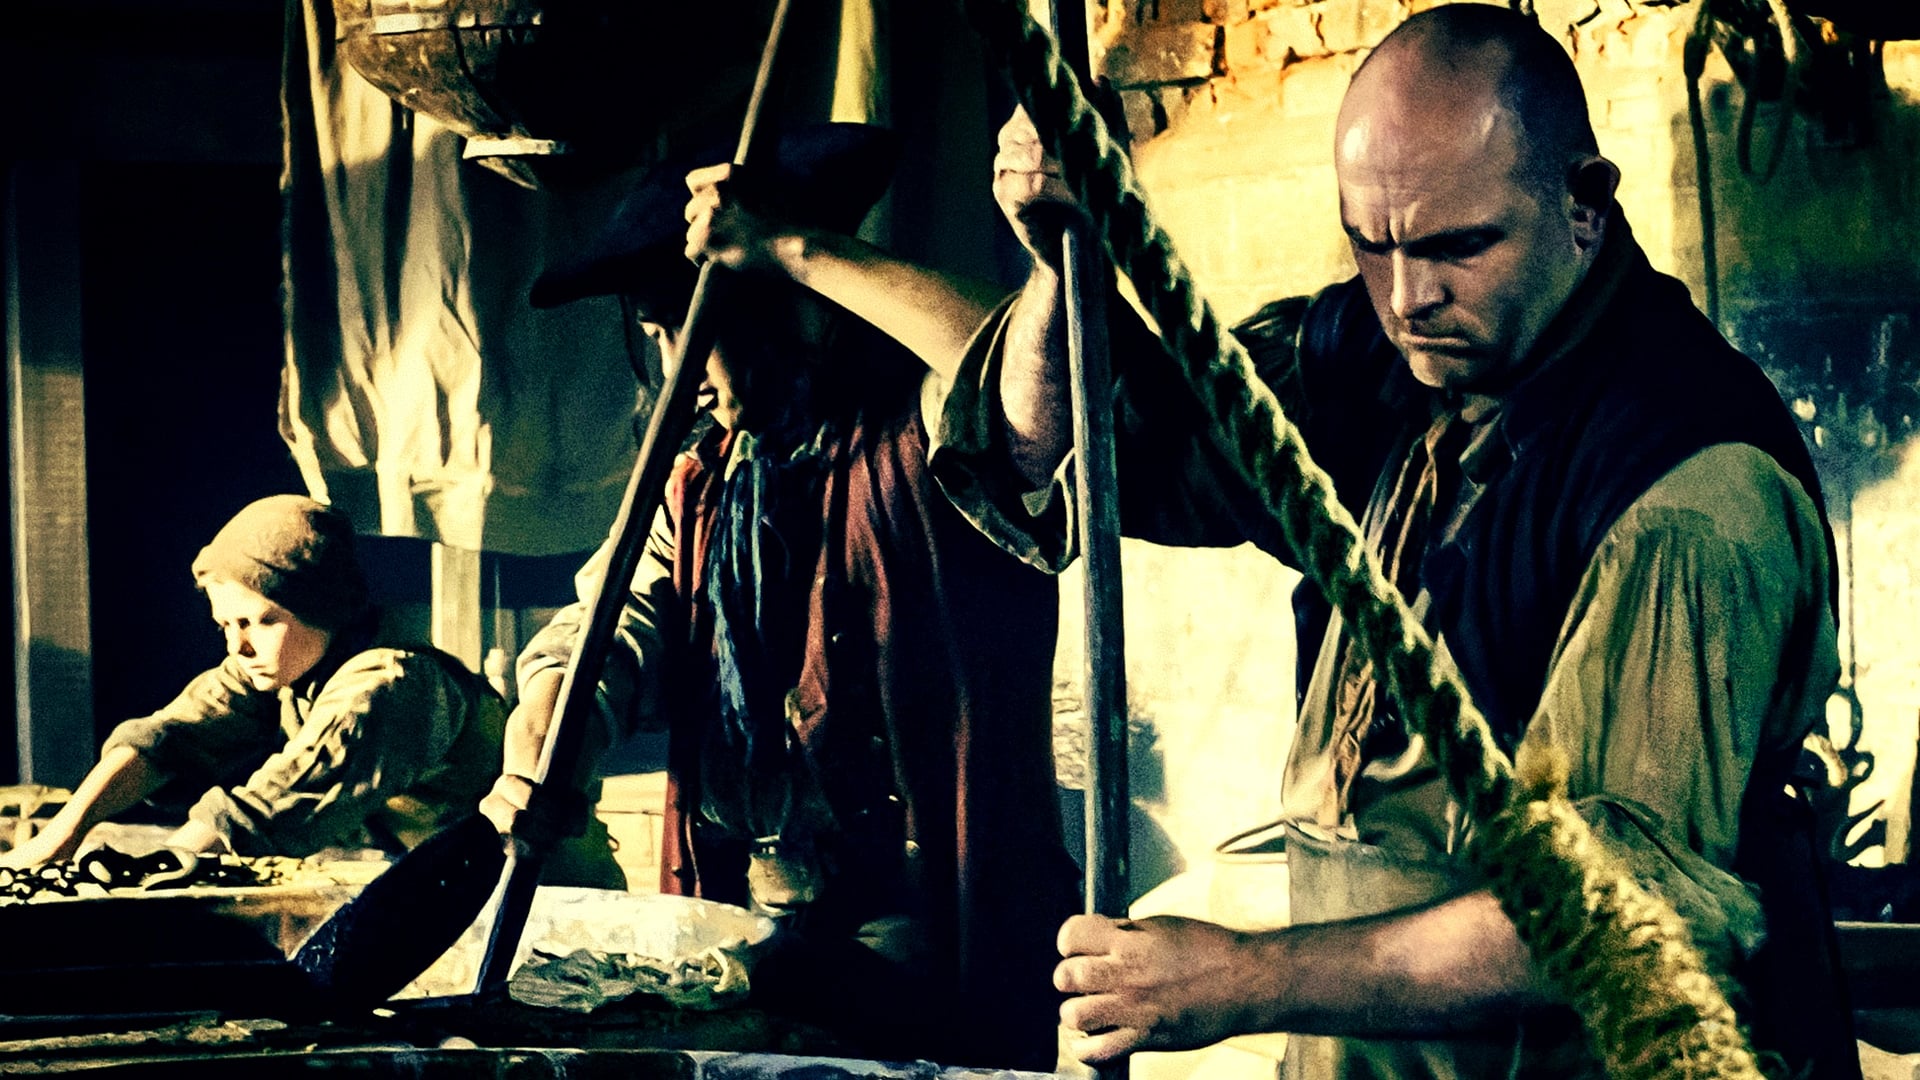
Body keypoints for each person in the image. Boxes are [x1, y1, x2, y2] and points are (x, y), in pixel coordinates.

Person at [923, 6, 1857, 1079]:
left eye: (1459, 246)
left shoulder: (1686, 492)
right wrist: (1063, 259)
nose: (1410, 297)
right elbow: (1061, 450)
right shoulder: (1380, 366)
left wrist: (1240, 978)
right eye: (1374, 244)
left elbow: (1610, 918)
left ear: (1584, 205)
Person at [479, 122, 1076, 1070]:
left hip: (940, 950)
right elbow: (614, 625)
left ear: (774, 307)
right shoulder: (708, 479)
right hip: (756, 937)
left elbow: (1035, 369)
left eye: (678, 326)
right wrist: (554, 725)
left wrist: (797, 249)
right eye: (653, 331)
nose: (668, 364)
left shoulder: (929, 440)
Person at [0, 495, 508, 869]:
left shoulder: (393, 685)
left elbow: (270, 807)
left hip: (516, 899)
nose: (238, 647)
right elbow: (168, 738)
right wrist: (60, 837)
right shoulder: (285, 664)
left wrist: (150, 873)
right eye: (226, 624)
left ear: (321, 608)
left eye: (261, 621)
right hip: (418, 879)